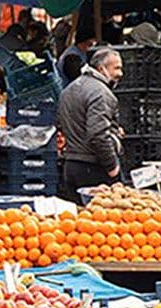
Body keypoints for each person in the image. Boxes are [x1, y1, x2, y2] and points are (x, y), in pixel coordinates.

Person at [57, 48, 124, 203]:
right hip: (93, 167)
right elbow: (97, 135)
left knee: (78, 216)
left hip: (71, 165)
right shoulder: (101, 93)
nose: (121, 73)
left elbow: (66, 123)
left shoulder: (69, 89)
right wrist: (113, 168)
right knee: (100, 216)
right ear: (101, 69)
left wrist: (113, 131)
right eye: (116, 68)